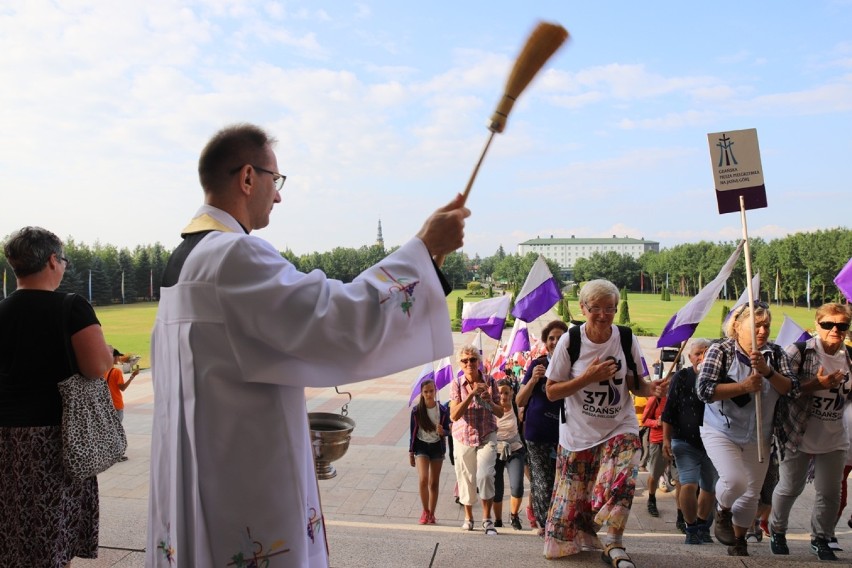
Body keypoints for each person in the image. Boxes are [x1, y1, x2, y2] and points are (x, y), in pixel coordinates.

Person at [147, 123, 469, 567]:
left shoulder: (182, 262)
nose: (277, 196)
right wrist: (424, 253)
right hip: (244, 483)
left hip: (196, 475)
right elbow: (337, 318)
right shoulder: (235, 256)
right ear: (246, 178)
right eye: (274, 181)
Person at [0, 227, 113, 568]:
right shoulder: (71, 306)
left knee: (11, 531)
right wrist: (106, 352)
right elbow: (96, 367)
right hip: (55, 439)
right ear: (52, 260)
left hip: (5, 437)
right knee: (52, 534)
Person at [543, 279, 666, 567]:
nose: (602, 314)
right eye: (595, 308)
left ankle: (614, 541)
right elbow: (551, 391)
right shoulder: (570, 340)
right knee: (576, 496)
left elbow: (635, 383)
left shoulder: (625, 337)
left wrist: (652, 389)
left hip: (618, 424)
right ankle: (582, 533)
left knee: (624, 477)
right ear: (583, 308)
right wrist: (588, 377)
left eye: (609, 308)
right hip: (578, 431)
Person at [696, 301, 797, 557]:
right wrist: (742, 387)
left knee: (751, 494)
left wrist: (768, 372)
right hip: (720, 430)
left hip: (759, 436)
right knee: (735, 480)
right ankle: (722, 511)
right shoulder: (721, 350)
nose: (763, 331)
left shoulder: (776, 354)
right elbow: (704, 390)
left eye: (766, 325)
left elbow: (792, 389)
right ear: (737, 326)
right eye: (757, 325)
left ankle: (739, 540)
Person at [769, 302, 852, 561]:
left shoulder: (850, 358)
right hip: (799, 432)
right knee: (790, 487)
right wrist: (816, 383)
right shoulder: (800, 351)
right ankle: (777, 529)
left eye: (842, 325)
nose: (835, 330)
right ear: (817, 325)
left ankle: (821, 538)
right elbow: (784, 388)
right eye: (828, 324)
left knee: (830, 492)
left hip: (835, 435)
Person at [661, 338, 718, 545]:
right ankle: (691, 526)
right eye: (698, 354)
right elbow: (669, 410)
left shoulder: (718, 378)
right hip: (685, 440)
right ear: (690, 357)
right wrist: (666, 439)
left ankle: (703, 525)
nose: (702, 357)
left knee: (709, 487)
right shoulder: (682, 377)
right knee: (688, 483)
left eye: (706, 353)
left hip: (713, 442)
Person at [517, 319, 567, 534]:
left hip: (566, 434)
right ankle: (547, 526)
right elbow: (519, 400)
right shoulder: (537, 365)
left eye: (560, 337)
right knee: (542, 482)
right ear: (545, 343)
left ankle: (560, 523)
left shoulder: (574, 366)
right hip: (537, 433)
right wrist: (532, 381)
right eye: (551, 338)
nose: (555, 341)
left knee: (562, 481)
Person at [450, 344, 504, 536]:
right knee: (466, 477)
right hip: (463, 436)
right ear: (460, 364)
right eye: (465, 361)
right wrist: (471, 395)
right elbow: (454, 415)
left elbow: (501, 412)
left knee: (486, 475)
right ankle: (468, 518)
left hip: (486, 433)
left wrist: (488, 399)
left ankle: (487, 519)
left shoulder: (490, 381)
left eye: (472, 359)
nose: (469, 363)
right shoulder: (457, 384)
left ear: (479, 362)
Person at [408, 378, 449, 525]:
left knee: (434, 483)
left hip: (437, 447)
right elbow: (412, 432)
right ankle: (425, 511)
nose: (429, 394)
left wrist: (443, 431)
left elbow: (450, 429)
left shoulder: (443, 410)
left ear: (435, 391)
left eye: (431, 391)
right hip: (421, 447)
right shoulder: (417, 411)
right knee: (423, 478)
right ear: (422, 393)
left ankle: (432, 513)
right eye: (426, 392)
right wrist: (411, 452)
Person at [492, 379, 526, 530]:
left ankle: (514, 516)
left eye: (506, 392)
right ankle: (498, 520)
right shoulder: (491, 409)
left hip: (515, 450)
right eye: (500, 393)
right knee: (497, 489)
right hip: (496, 452)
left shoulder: (516, 407)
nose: (503, 396)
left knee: (517, 486)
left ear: (511, 393)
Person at [640, 394, 668, 518]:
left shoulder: (682, 396)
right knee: (654, 474)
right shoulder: (656, 398)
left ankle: (680, 516)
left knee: (680, 481)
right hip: (658, 441)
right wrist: (657, 422)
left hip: (678, 441)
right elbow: (644, 420)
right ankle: (651, 499)